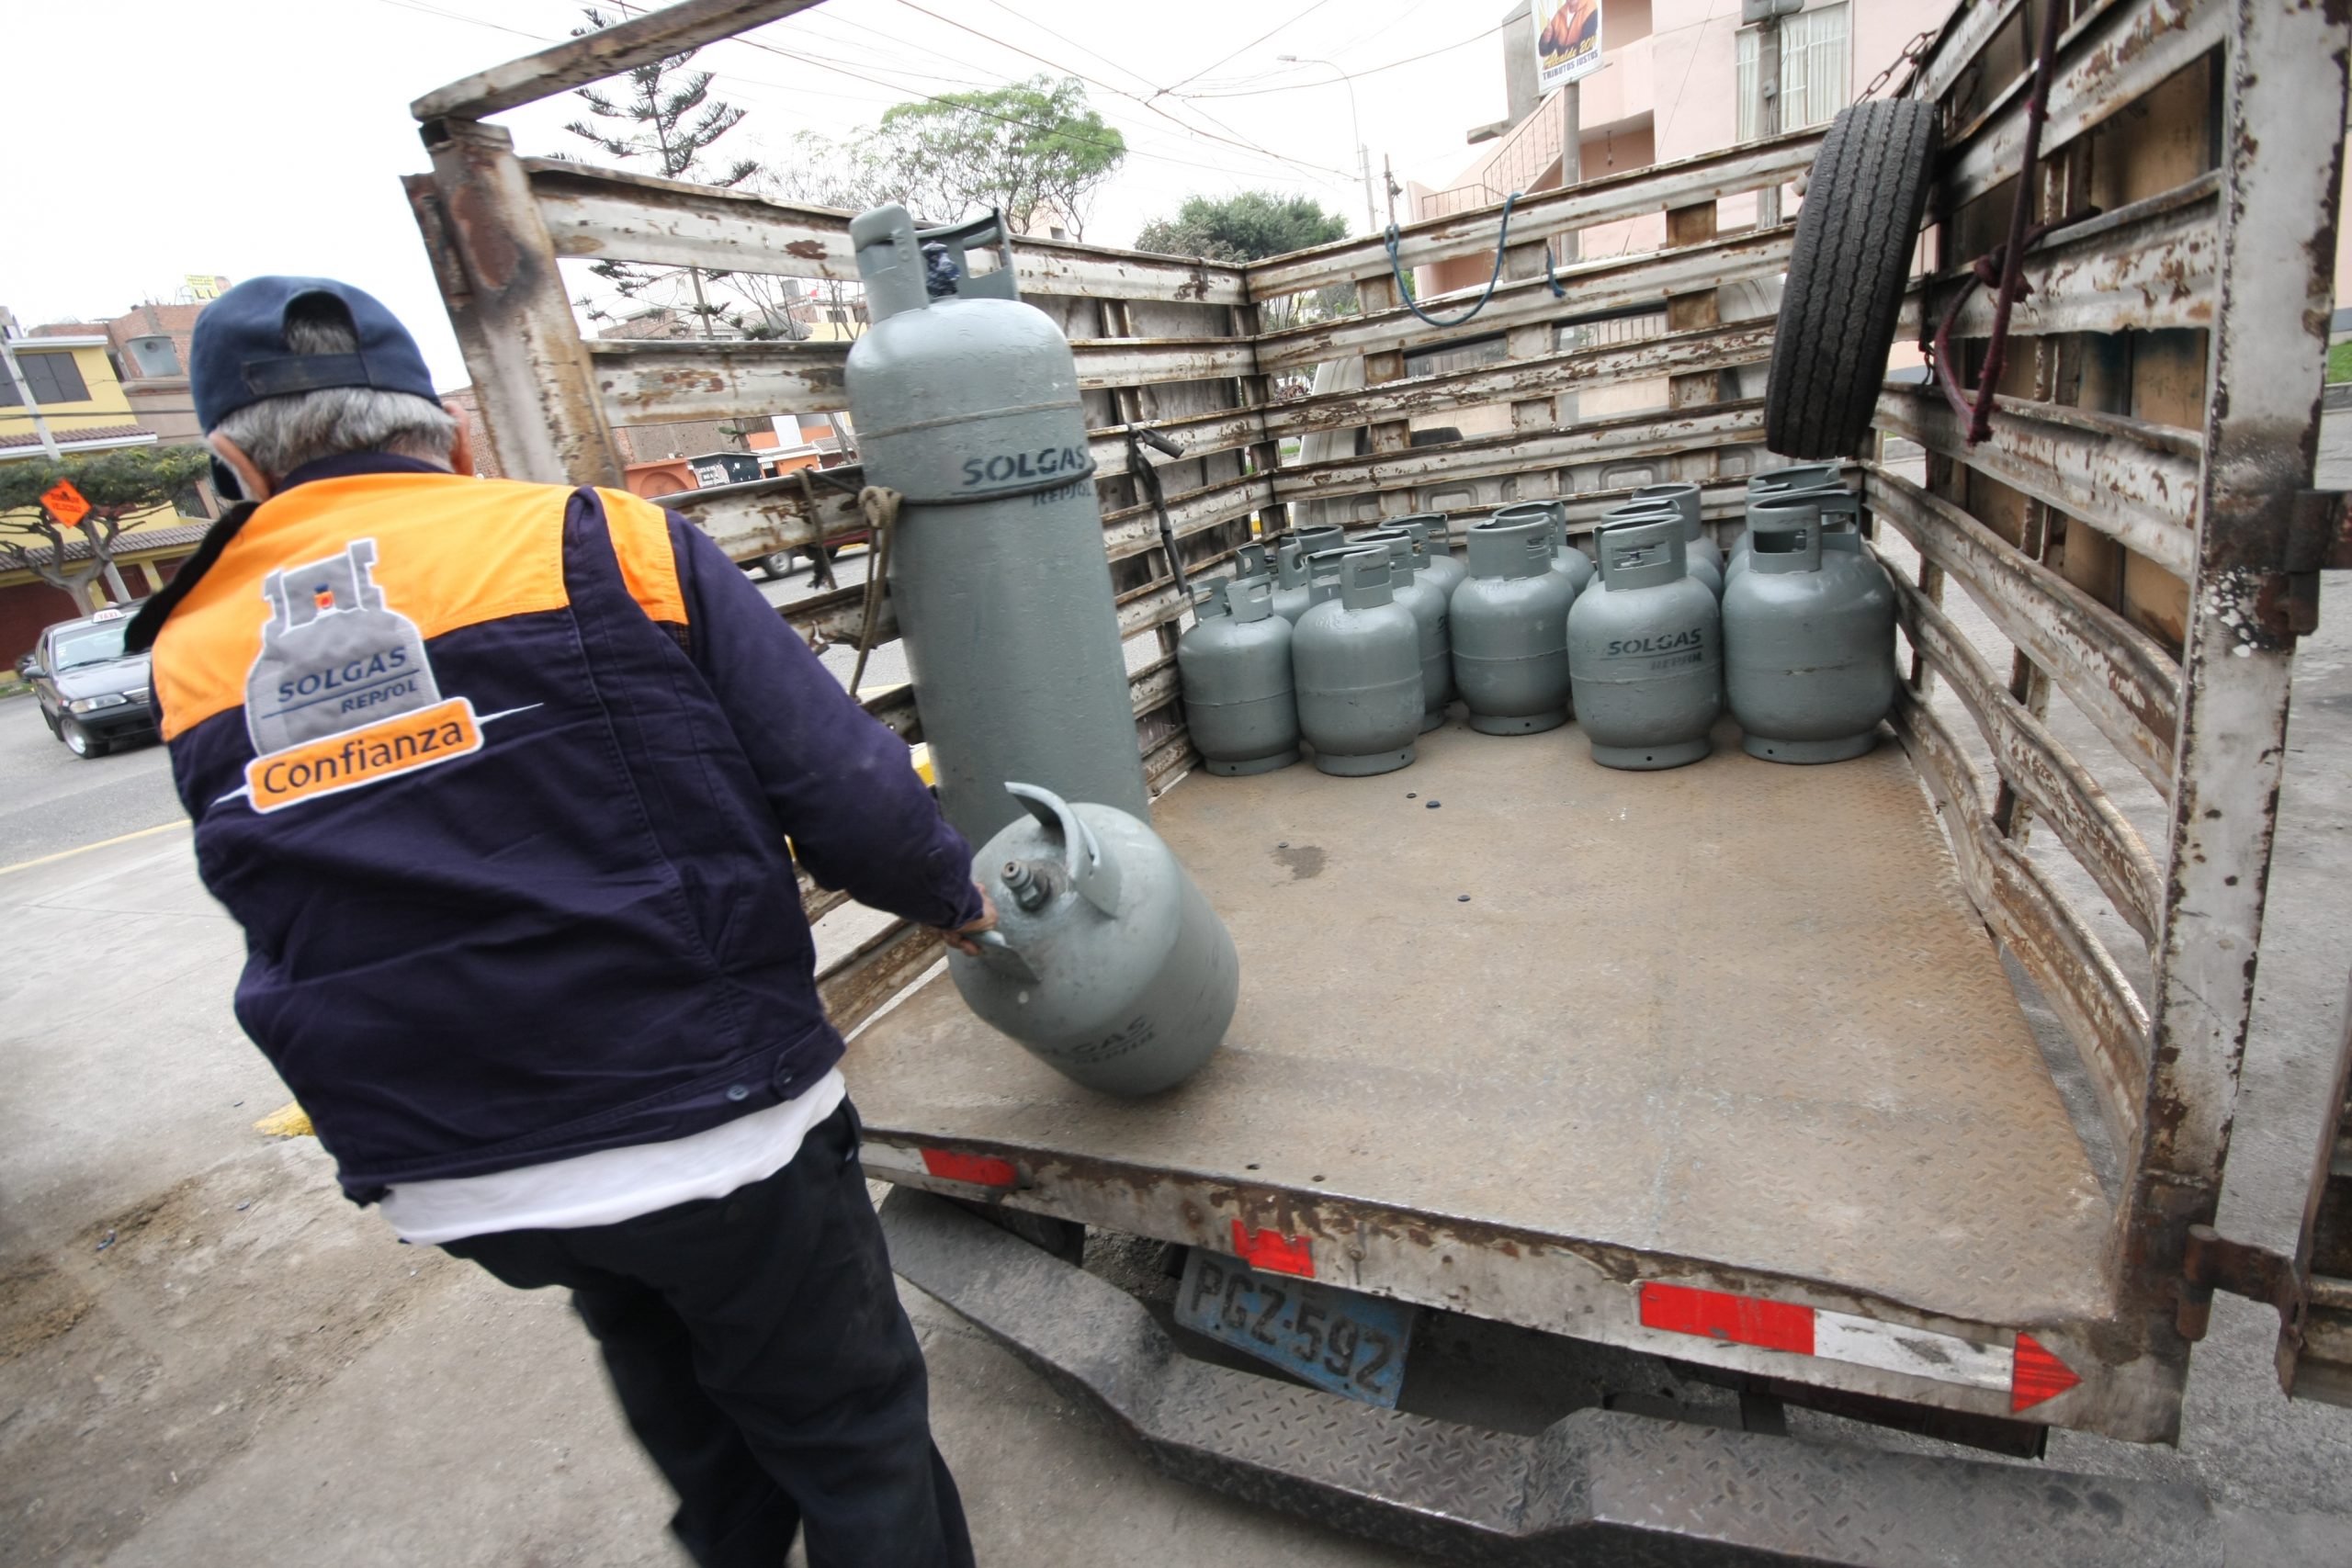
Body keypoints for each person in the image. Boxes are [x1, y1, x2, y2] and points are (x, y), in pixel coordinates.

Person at [128, 276, 992, 1568]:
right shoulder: (605, 541)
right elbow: (847, 790)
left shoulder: (192, 650)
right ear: (455, 441)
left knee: (680, 1392)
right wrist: (952, 896)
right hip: (715, 1125)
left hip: (468, 1169)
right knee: (851, 1437)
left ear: (234, 470)